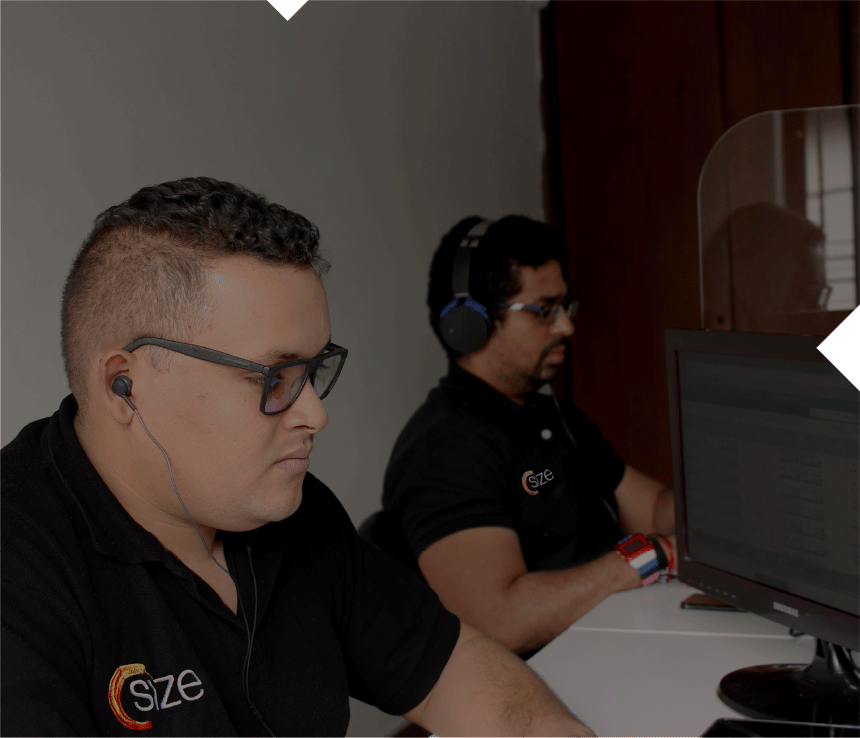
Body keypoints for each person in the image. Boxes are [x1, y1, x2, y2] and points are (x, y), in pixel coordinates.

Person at [1, 179, 593, 737]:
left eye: (312, 371)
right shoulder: (20, 573)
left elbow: (454, 669)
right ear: (124, 386)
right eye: (273, 377)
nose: (314, 413)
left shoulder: (292, 514)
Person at [380, 215, 676, 657]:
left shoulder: (554, 414)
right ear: (471, 322)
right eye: (544, 310)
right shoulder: (443, 448)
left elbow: (651, 510)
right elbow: (502, 621)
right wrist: (649, 556)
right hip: (554, 677)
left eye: (564, 307)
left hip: (622, 640)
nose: (566, 327)